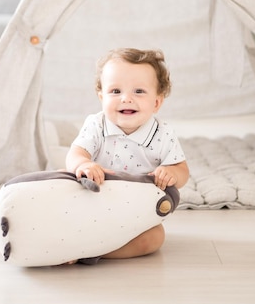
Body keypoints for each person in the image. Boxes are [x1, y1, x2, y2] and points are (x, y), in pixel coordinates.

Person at [66, 48, 189, 260]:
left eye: (139, 91)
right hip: (92, 204)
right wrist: (83, 165)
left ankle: (94, 252)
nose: (126, 99)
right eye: (115, 92)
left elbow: (182, 171)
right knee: (64, 182)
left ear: (156, 102)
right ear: (101, 97)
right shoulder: (96, 124)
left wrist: (170, 173)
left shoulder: (163, 134)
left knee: (154, 239)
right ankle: (71, 241)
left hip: (136, 216)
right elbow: (75, 154)